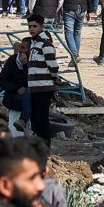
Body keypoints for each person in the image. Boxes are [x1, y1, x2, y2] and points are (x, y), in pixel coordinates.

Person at [25, 16, 60, 144]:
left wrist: (51, 80)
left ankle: (45, 149)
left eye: (35, 26)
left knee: (42, 120)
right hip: (34, 88)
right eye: (30, 26)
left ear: (41, 27)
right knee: (35, 119)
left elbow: (53, 66)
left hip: (43, 88)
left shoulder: (45, 44)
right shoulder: (34, 43)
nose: (32, 29)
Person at [0, 41, 31, 134]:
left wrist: (26, 66)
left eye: (23, 48)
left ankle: (23, 121)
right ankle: (22, 120)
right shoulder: (13, 61)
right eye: (20, 48)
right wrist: (17, 88)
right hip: (13, 97)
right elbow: (1, 81)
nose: (20, 51)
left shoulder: (35, 62)